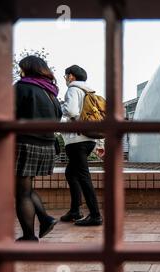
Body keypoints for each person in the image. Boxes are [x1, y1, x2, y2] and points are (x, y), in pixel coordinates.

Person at [15, 55, 62, 241]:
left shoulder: (22, 87)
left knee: (21, 193)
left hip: (25, 143)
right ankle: (44, 218)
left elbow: (6, 113)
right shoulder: (51, 93)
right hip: (47, 145)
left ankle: (29, 236)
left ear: (27, 69)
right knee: (26, 189)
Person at [59, 65, 103, 226]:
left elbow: (70, 111)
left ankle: (95, 215)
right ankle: (75, 210)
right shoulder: (89, 92)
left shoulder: (73, 89)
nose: (65, 79)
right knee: (71, 173)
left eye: (65, 76)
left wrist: (60, 107)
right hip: (89, 139)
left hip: (76, 140)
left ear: (71, 76)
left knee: (83, 177)